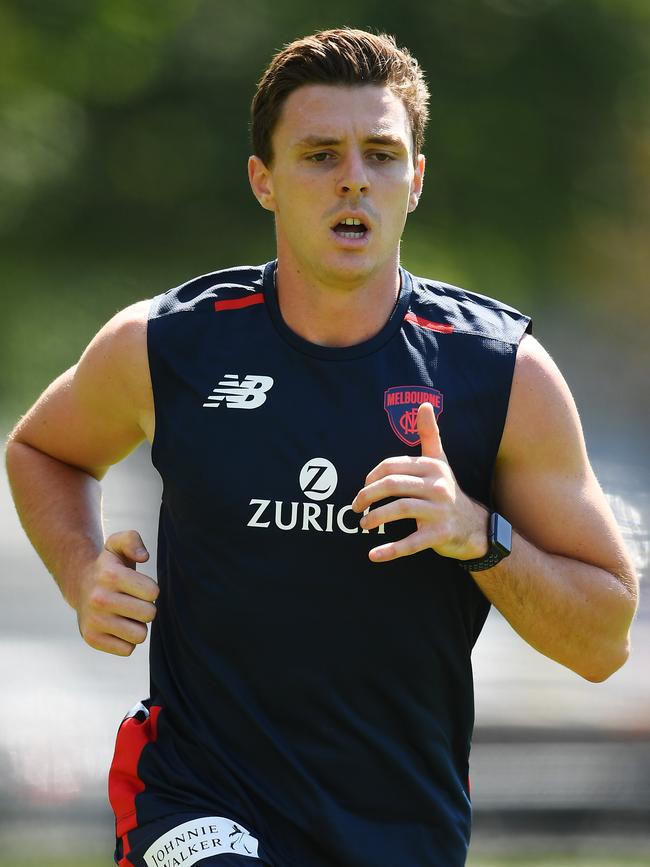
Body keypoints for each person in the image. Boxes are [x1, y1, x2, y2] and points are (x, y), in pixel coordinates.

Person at [5, 27, 638, 867]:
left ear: (415, 181)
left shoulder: (503, 373)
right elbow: (43, 449)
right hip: (196, 799)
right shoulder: (167, 344)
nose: (353, 178)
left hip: (399, 828)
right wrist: (83, 569)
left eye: (381, 153)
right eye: (319, 154)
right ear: (263, 180)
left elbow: (603, 642)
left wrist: (477, 533)